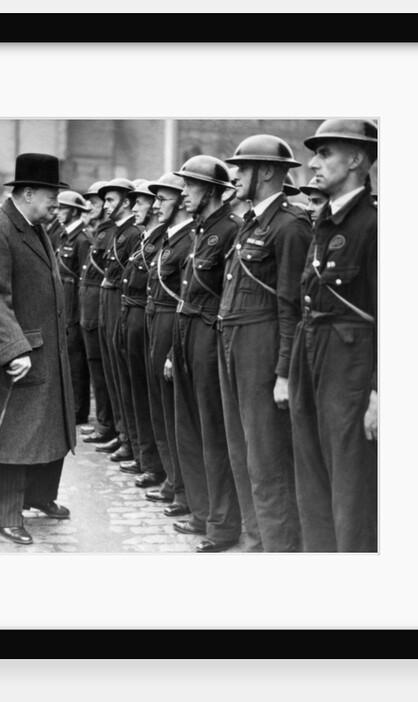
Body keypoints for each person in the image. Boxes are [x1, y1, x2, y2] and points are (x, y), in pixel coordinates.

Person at [0, 153, 76, 546]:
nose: (57, 203)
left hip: (44, 349)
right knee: (16, 435)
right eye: (51, 195)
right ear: (28, 193)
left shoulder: (33, 225)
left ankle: (40, 496)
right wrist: (13, 350)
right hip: (20, 355)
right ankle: (7, 515)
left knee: (48, 430)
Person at [218, 135, 312, 552]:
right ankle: (255, 540)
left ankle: (278, 549)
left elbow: (293, 307)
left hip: (263, 346)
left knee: (267, 457)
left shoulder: (290, 227)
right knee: (240, 450)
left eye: (242, 167)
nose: (235, 175)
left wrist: (283, 373)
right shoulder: (252, 223)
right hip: (233, 341)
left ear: (268, 171)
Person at [289, 119, 378, 552]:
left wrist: (380, 393)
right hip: (312, 352)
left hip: (351, 362)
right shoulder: (324, 221)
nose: (313, 163)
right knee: (311, 470)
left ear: (357, 159)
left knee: (349, 478)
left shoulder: (374, 226)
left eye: (325, 153)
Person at [169, 156, 243, 552]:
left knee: (213, 430)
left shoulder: (230, 229)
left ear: (211, 191)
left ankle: (222, 525)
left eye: (191, 187)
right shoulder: (201, 230)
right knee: (189, 426)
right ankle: (200, 511)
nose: (183, 194)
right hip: (186, 329)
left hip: (209, 332)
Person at [138, 172, 195, 516]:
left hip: (171, 320)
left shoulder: (189, 238)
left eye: (163, 199)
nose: (157, 205)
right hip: (153, 317)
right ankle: (171, 479)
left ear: (180, 200)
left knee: (174, 409)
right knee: (159, 404)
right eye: (155, 199)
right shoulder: (169, 238)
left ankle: (183, 487)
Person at [115, 180, 161, 476]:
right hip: (129, 313)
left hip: (146, 318)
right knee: (133, 389)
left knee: (147, 394)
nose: (134, 208)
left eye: (140, 203)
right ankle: (143, 455)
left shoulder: (160, 240)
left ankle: (152, 462)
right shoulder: (146, 239)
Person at [96, 178, 142, 464]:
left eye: (111, 200)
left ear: (126, 202)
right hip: (109, 297)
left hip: (120, 300)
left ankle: (129, 437)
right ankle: (122, 432)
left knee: (121, 371)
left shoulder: (133, 233)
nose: (105, 205)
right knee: (112, 370)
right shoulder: (118, 232)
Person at [78, 181, 118, 445]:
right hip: (91, 304)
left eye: (94, 201)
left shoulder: (110, 232)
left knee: (103, 369)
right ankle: (105, 421)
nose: (91, 206)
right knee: (96, 365)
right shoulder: (99, 231)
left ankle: (108, 424)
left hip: (101, 304)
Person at [55, 190, 93, 425]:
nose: (58, 212)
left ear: (75, 211)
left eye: (63, 208)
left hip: (76, 307)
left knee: (77, 360)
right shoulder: (65, 236)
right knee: (68, 358)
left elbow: (84, 279)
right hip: (64, 304)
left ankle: (80, 410)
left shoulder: (83, 239)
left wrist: (79, 313)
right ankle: (71, 406)